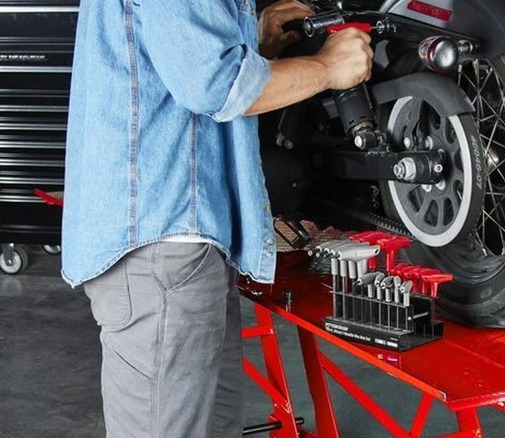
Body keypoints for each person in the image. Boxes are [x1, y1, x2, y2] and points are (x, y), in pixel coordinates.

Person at [61, 0, 373, 436]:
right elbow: (218, 84)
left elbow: (178, 52)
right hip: (163, 247)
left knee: (212, 426)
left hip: (179, 248)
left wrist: (250, 37)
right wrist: (327, 67)